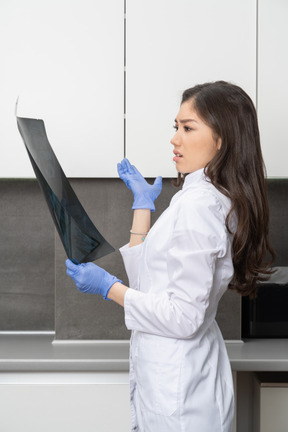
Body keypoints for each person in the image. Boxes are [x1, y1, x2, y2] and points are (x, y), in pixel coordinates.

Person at [65, 81, 275, 432]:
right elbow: (154, 279)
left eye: (188, 128)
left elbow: (183, 317)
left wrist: (109, 288)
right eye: (175, 127)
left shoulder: (199, 205)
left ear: (222, 139)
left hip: (180, 393)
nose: (175, 139)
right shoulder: (201, 194)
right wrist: (142, 207)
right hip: (176, 378)